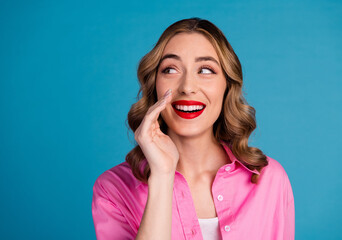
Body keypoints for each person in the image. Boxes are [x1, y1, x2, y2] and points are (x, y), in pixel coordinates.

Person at [92, 17, 295, 240]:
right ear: (155, 85)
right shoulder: (113, 189)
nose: (187, 87)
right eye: (170, 70)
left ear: (227, 86)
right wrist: (161, 176)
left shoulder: (270, 180)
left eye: (206, 70)